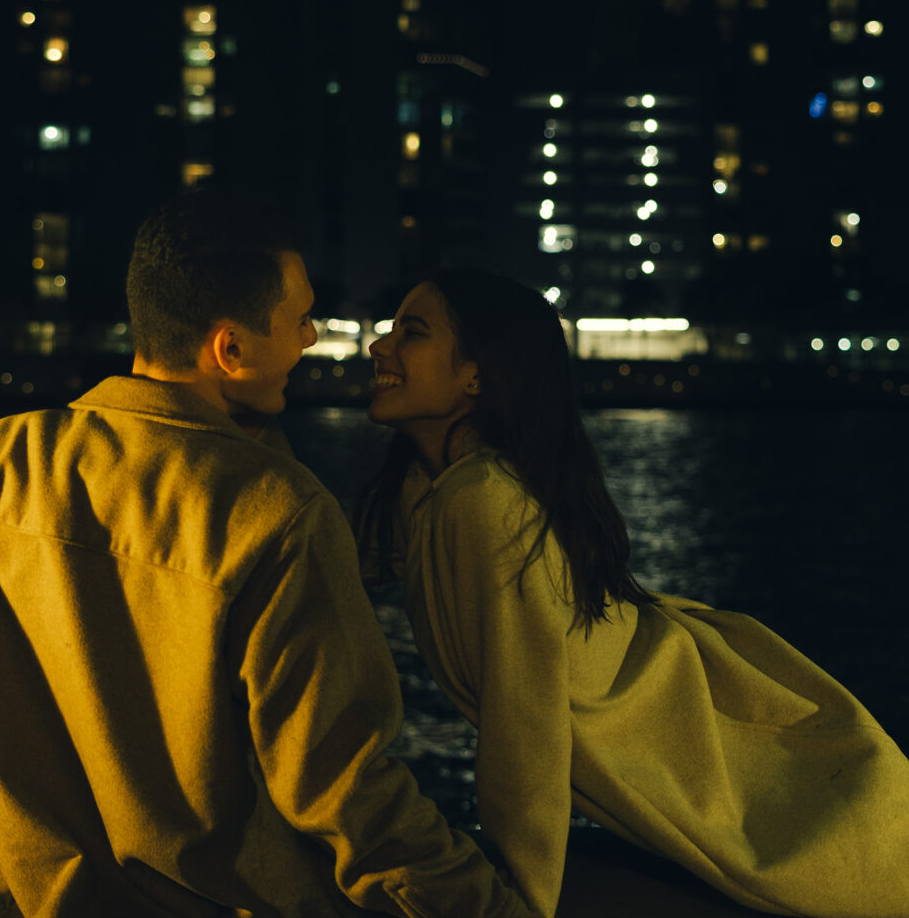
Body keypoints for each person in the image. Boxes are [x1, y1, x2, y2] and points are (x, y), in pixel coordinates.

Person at [0, 191, 540, 918]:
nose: (310, 340)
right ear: (229, 349)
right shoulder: (277, 512)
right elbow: (348, 792)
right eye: (298, 322)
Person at [360, 267, 909, 918]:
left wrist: (520, 897)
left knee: (844, 848)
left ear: (475, 376)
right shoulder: (428, 493)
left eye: (411, 333)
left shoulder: (484, 502)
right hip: (665, 710)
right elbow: (331, 565)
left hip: (686, 731)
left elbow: (524, 716)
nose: (378, 346)